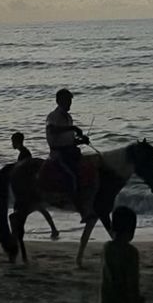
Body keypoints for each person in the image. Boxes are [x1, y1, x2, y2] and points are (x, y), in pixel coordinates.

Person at [45, 88, 93, 221]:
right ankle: (77, 206)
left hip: (70, 151)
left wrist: (80, 141)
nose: (69, 103)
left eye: (70, 101)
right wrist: (72, 128)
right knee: (72, 175)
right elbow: (52, 130)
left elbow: (68, 139)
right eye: (67, 100)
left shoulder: (68, 117)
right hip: (58, 154)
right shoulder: (53, 116)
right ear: (59, 101)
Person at [11, 133, 59, 240]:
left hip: (27, 187)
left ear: (17, 141)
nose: (12, 144)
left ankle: (16, 232)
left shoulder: (24, 153)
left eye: (13, 141)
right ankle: (54, 229)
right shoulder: (24, 152)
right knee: (40, 208)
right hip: (30, 186)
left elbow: (25, 170)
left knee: (20, 210)